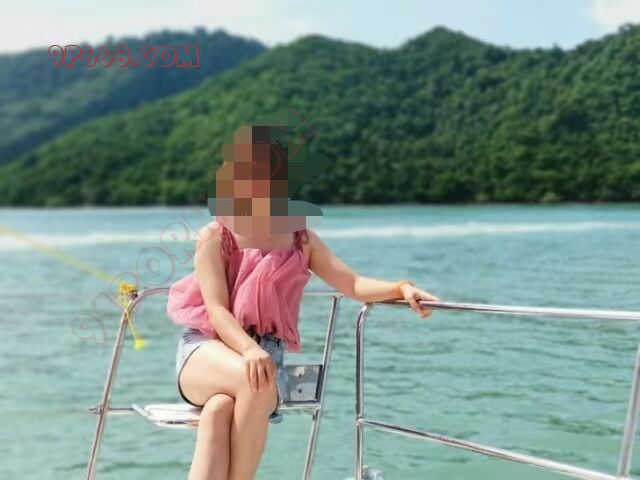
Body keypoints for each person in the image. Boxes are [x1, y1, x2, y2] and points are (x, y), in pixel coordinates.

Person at [166, 120, 440, 480]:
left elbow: (353, 283)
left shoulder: (299, 238)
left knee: (219, 411)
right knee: (253, 382)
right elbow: (216, 310)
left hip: (264, 359)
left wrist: (401, 289)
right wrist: (249, 350)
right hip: (209, 350)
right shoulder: (216, 235)